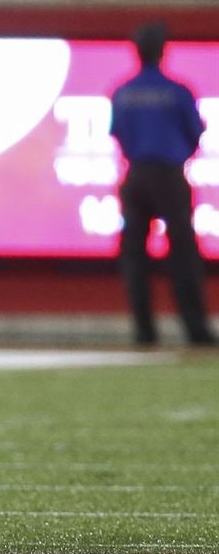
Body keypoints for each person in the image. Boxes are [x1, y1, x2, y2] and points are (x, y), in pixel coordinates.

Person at [109, 22, 215, 347]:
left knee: (135, 256)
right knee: (183, 252)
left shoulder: (123, 91)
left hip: (136, 175)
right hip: (169, 175)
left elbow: (119, 135)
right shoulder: (177, 90)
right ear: (162, 50)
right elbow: (195, 133)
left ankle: (144, 331)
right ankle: (195, 330)